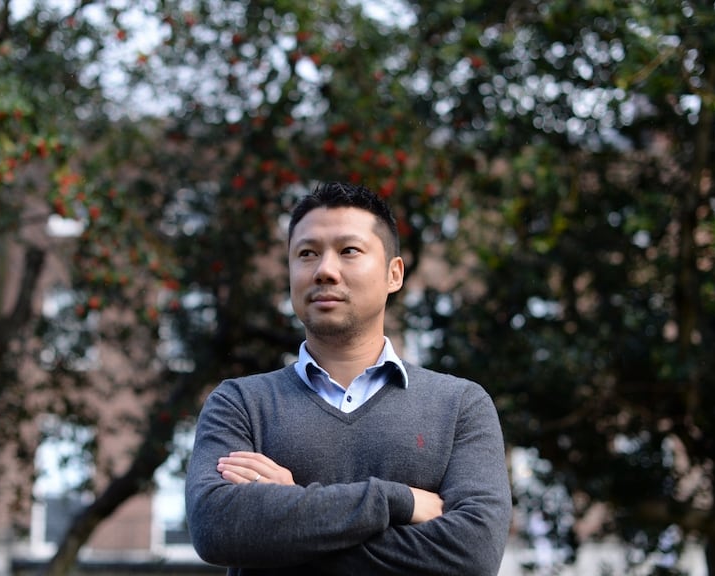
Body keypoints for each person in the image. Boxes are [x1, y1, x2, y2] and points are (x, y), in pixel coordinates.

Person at [185, 181, 511, 575]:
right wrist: (397, 501)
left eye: (349, 251)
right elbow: (216, 528)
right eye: (306, 254)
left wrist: (292, 517)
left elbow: (472, 556)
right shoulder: (240, 403)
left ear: (394, 274)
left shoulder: (460, 405)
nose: (324, 270)